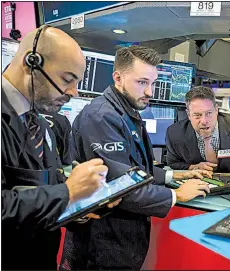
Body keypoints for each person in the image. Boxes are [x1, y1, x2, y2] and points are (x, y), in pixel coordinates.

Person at [61, 45, 211, 270]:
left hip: (118, 243)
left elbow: (135, 168)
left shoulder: (125, 111)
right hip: (99, 246)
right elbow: (120, 186)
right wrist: (176, 194)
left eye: (153, 83)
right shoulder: (101, 117)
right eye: (142, 82)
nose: (150, 91)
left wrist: (174, 174)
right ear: (118, 78)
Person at [1, 26, 117, 270]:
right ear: (31, 62)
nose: (73, 92)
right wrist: (68, 193)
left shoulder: (39, 122)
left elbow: (43, 189)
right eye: (67, 79)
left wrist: (80, 204)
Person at [166, 86, 230, 173]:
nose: (204, 121)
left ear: (216, 110)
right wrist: (193, 167)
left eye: (209, 113)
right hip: (196, 185)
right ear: (188, 115)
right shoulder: (175, 134)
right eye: (197, 115)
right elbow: (173, 162)